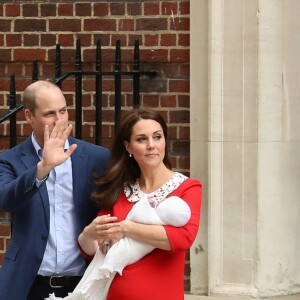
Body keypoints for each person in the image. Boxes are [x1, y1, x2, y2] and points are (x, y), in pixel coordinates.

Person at [66, 109, 202, 300]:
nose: (151, 145)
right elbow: (94, 250)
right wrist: (88, 234)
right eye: (141, 139)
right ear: (128, 147)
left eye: (157, 137)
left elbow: (183, 239)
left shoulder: (187, 187)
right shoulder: (121, 190)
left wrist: (126, 228)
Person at [0, 80, 110, 300]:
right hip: (29, 284)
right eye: (50, 113)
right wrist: (43, 168)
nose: (60, 120)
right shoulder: (9, 160)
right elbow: (5, 200)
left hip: (84, 281)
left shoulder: (97, 157)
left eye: (63, 110)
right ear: (29, 116)